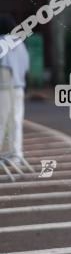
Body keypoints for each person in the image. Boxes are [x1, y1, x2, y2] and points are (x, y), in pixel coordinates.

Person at [0, 13, 29, 169]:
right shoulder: (20, 44)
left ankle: (3, 156)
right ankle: (16, 156)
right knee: (16, 122)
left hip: (4, 89)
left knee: (2, 123)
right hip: (19, 87)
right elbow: (26, 66)